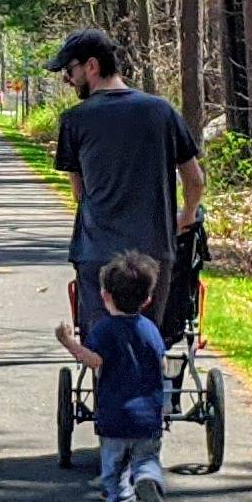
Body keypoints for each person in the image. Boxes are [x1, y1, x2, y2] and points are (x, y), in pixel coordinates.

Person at [45, 28, 205, 336]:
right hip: (154, 252)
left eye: (70, 70)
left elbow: (80, 192)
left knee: (103, 344)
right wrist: (185, 217)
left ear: (91, 66)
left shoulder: (74, 120)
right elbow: (195, 180)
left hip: (98, 253)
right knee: (149, 340)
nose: (68, 79)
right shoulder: (162, 112)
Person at [55, 250, 167, 502]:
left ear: (105, 296)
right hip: (149, 418)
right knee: (147, 459)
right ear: (148, 299)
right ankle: (147, 479)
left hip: (114, 417)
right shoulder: (151, 330)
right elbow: (162, 363)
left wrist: (69, 343)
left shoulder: (104, 330)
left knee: (114, 472)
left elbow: (94, 361)